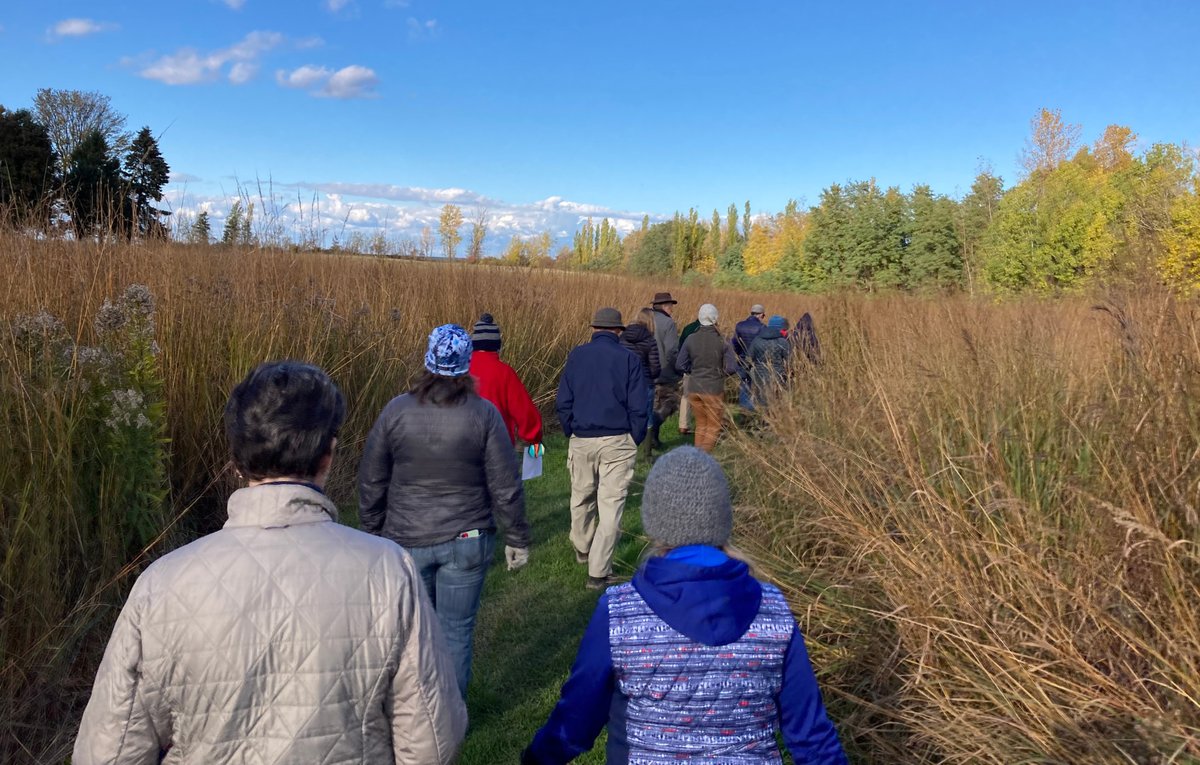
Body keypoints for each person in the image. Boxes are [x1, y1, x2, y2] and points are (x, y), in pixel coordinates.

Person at [75, 361, 467, 765]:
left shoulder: (161, 585)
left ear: (237, 461)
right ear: (328, 455)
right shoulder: (390, 571)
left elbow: (108, 751)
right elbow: (431, 744)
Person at [522, 447, 848, 765]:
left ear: (655, 522)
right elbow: (812, 737)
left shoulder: (619, 612)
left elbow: (576, 721)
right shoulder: (773, 610)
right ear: (721, 518)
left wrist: (537, 758)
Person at [359, 324, 532, 699]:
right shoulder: (484, 415)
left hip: (406, 540)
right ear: (466, 365)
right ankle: (450, 720)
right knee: (456, 631)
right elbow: (505, 483)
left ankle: (412, 711)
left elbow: (372, 479)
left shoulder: (396, 411)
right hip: (467, 539)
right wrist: (517, 537)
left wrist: (371, 532)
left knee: (410, 633)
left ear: (428, 360)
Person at [556, 307, 649, 590]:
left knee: (581, 495)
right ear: (618, 331)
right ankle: (598, 571)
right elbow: (639, 404)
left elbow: (564, 398)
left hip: (583, 437)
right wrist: (636, 435)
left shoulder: (577, 356)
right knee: (611, 504)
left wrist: (569, 427)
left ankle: (583, 547)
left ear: (594, 328)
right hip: (618, 439)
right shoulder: (629, 359)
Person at [468, 312, 544, 456]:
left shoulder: (460, 370)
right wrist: (533, 437)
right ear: (497, 345)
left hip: (461, 448)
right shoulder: (504, 372)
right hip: (497, 447)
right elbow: (524, 411)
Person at [676, 303, 738, 452]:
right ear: (716, 319)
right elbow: (732, 367)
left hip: (694, 387)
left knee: (701, 424)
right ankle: (703, 458)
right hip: (713, 388)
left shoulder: (690, 338)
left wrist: (693, 371)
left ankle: (697, 456)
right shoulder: (723, 340)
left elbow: (679, 364)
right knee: (714, 425)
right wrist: (720, 374)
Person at [619, 307, 661, 462]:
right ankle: (647, 454)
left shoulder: (622, 337)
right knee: (647, 416)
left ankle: (624, 451)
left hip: (625, 382)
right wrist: (653, 375)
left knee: (626, 414)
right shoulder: (650, 340)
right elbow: (655, 367)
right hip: (644, 382)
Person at [648, 291, 681, 449]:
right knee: (671, 402)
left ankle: (652, 439)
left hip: (647, 372)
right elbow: (672, 351)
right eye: (670, 306)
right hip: (664, 372)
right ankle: (652, 430)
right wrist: (678, 369)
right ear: (663, 306)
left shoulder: (645, 320)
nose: (672, 309)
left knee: (653, 406)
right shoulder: (668, 323)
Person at [750, 315, 793, 407]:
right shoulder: (782, 342)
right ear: (780, 328)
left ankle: (763, 420)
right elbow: (790, 362)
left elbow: (749, 359)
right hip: (777, 378)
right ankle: (775, 420)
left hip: (760, 378)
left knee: (762, 403)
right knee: (776, 404)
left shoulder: (757, 340)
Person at [734, 304, 767, 410]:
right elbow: (764, 347)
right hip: (757, 362)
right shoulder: (762, 328)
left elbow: (735, 343)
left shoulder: (739, 325)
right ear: (761, 315)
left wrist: (739, 356)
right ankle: (756, 411)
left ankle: (745, 412)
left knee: (745, 385)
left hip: (743, 361)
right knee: (758, 386)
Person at [677, 314, 701, 436]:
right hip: (702, 370)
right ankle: (701, 426)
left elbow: (681, 348)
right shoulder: (709, 331)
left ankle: (683, 425)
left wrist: (685, 367)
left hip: (688, 369)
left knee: (686, 397)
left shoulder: (687, 328)